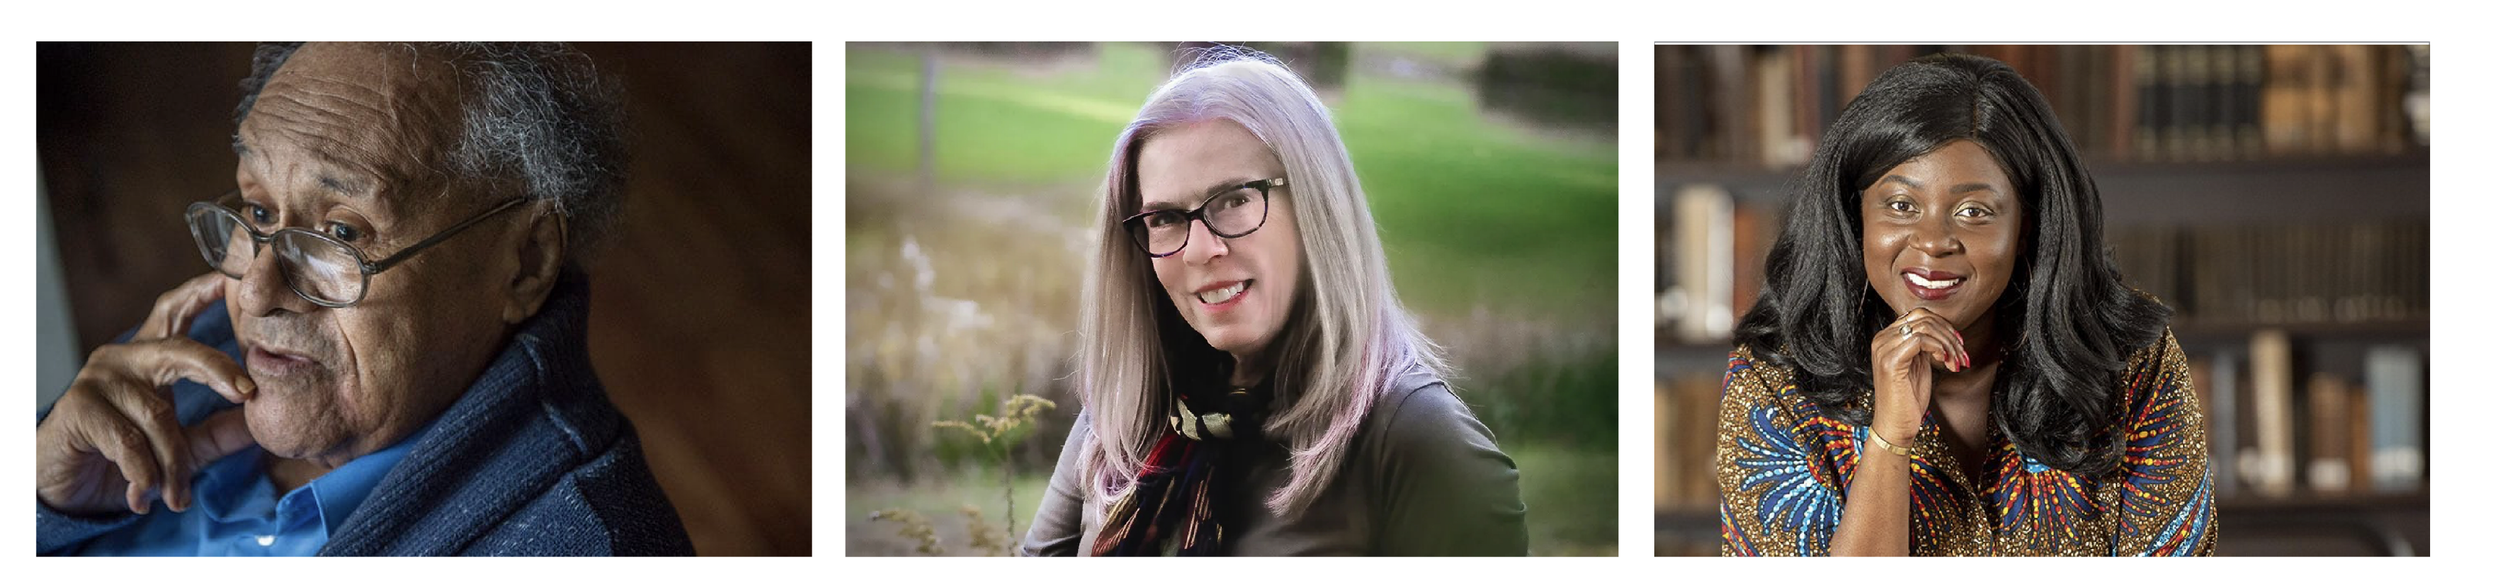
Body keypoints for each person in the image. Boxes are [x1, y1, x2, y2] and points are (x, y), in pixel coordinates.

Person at [34, 42, 693, 556]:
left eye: (341, 233)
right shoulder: (191, 343)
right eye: (259, 211)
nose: (258, 292)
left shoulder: (588, 542)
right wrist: (38, 500)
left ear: (525, 262)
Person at [1018, 48, 1527, 556]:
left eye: (1235, 200)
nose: (1200, 250)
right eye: (1165, 218)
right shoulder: (1128, 412)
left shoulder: (1415, 442)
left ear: (1317, 207)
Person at [1714, 53, 2214, 556]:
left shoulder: (2128, 361)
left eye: (1973, 211)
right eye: (1901, 205)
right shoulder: (1776, 383)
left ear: (2026, 228)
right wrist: (1889, 437)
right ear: (1855, 214)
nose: (1933, 242)